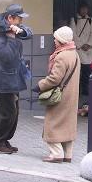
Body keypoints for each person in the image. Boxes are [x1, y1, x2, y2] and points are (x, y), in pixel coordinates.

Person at [0, 4, 33, 155]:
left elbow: (29, 33)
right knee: (7, 113)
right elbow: (6, 56)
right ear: (10, 18)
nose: (20, 21)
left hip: (13, 77)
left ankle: (4, 139)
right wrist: (12, 38)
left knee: (15, 112)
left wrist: (20, 31)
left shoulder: (12, 28)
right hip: (3, 80)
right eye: (18, 19)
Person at [33, 26, 80, 163]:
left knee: (52, 123)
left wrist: (40, 85)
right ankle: (67, 154)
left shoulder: (62, 56)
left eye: (56, 38)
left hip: (61, 96)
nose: (54, 40)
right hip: (71, 95)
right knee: (67, 124)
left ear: (62, 40)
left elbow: (55, 78)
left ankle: (56, 154)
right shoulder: (74, 54)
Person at [69, 2, 92, 98]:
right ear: (79, 10)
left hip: (89, 49)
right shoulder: (74, 20)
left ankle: (85, 89)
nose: (84, 11)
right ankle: (78, 90)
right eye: (82, 9)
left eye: (86, 9)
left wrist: (89, 44)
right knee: (79, 70)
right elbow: (73, 33)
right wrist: (81, 44)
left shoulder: (90, 20)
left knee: (88, 70)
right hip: (79, 49)